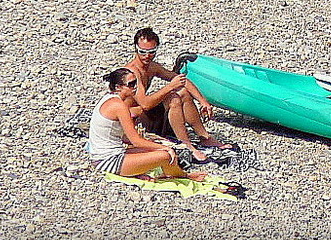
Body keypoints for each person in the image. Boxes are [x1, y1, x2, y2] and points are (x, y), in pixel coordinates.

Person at [125, 28, 228, 161]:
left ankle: (204, 137)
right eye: (143, 52)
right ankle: (187, 145)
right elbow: (145, 104)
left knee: (183, 92)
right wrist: (170, 87)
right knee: (172, 97)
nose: (147, 56)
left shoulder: (152, 67)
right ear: (136, 48)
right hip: (133, 119)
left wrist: (203, 102)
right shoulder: (132, 72)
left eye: (151, 52)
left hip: (145, 115)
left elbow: (182, 80)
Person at [86, 67, 199, 179]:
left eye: (136, 83)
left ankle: (175, 174)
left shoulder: (108, 99)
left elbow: (120, 136)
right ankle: (184, 176)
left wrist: (155, 144)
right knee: (165, 155)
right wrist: (165, 148)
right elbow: (136, 141)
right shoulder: (119, 106)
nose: (135, 87)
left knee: (158, 150)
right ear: (118, 87)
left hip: (103, 155)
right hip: (108, 161)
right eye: (131, 84)